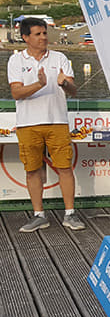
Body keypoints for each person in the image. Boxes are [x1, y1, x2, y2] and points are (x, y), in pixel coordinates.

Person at [9, 18, 81, 232]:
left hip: (57, 121)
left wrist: (64, 83)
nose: (43, 38)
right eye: (38, 34)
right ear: (25, 37)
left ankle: (70, 214)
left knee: (65, 168)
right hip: (28, 123)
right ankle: (39, 215)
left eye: (44, 33)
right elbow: (16, 93)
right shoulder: (16, 61)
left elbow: (73, 90)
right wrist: (39, 84)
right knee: (32, 170)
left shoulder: (60, 58)